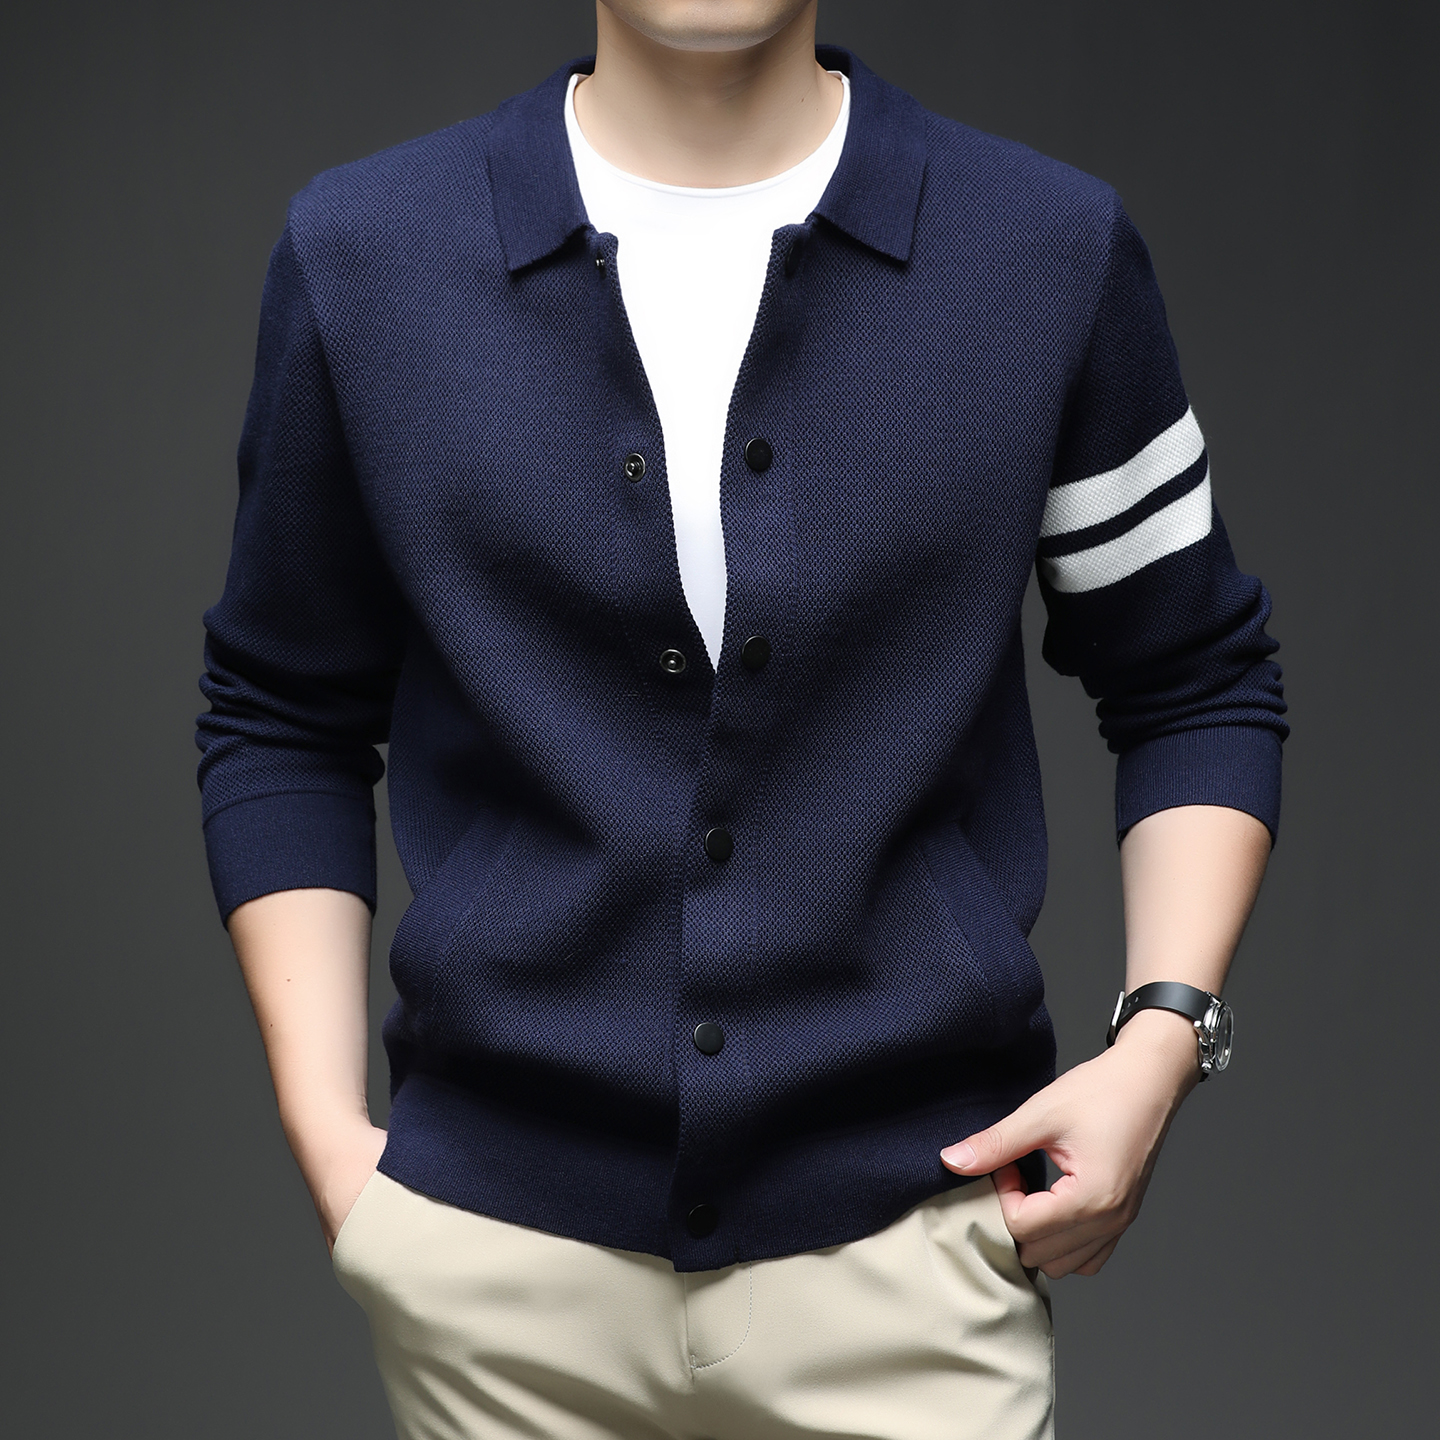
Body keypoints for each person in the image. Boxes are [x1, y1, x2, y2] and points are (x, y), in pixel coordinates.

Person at [196, 3, 1286, 1436]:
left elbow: (1194, 676)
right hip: (491, 1286)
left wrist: (1161, 1043)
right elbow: (281, 707)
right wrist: (331, 1140)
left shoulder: (1043, 251)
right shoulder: (366, 254)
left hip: (917, 1257)